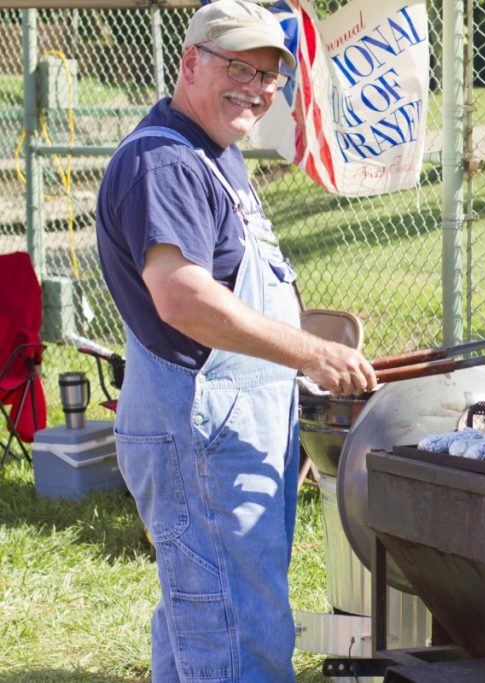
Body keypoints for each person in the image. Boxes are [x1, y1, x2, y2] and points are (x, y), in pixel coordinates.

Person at [95, 1, 376, 679]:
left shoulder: (213, 153)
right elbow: (182, 297)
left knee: (205, 622)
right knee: (236, 637)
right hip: (200, 432)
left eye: (269, 76)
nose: (255, 87)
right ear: (190, 62)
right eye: (238, 68)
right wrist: (311, 351)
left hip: (229, 426)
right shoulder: (165, 162)